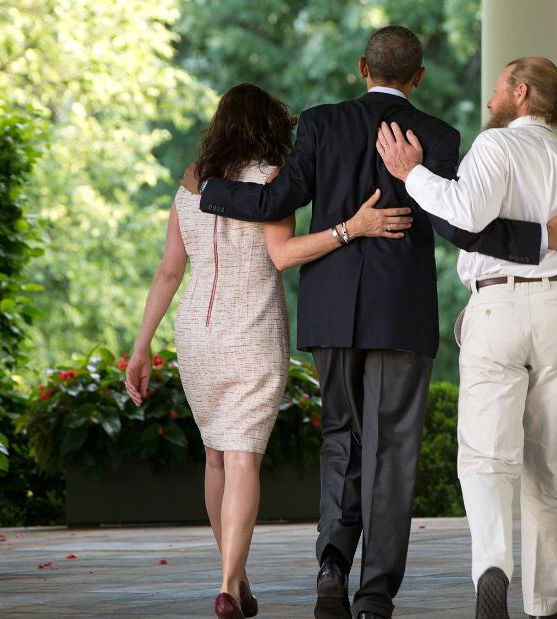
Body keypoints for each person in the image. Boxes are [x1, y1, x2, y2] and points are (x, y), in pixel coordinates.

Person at [192, 28, 557, 619]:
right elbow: (460, 226)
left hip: (330, 313)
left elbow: (277, 204)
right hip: (401, 315)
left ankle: (330, 568)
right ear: (418, 77)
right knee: (392, 449)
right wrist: (540, 238)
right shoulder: (439, 135)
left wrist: (212, 190)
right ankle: (375, 595)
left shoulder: (321, 123)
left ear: (361, 68)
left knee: (340, 439)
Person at [124, 83, 416, 619]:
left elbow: (169, 272)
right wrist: (352, 228)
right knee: (242, 458)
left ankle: (233, 580)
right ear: (269, 127)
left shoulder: (192, 186)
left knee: (215, 456)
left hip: (196, 332)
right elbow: (283, 256)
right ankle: (230, 585)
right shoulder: (271, 181)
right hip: (252, 331)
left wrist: (140, 348)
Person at [375, 56, 557, 619]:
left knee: (486, 454)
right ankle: (545, 604)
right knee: (552, 462)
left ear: (519, 92)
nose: (489, 103)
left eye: (496, 92)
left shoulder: (495, 148)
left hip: (497, 307)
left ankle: (493, 566)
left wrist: (411, 174)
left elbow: (465, 213)